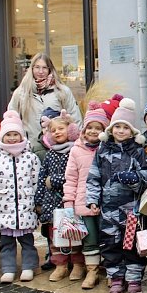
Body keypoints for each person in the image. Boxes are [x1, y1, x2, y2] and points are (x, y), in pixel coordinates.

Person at [85, 98, 147, 293]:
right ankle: (115, 277)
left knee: (131, 244)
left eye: (125, 128)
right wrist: (92, 200)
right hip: (108, 210)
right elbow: (93, 177)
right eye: (117, 127)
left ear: (132, 132)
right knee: (110, 244)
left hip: (132, 210)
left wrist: (134, 179)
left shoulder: (138, 152)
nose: (121, 131)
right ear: (111, 129)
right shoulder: (102, 151)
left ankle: (133, 278)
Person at [0, 110, 41, 283]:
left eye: (15, 134)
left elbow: (36, 181)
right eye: (8, 135)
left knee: (27, 241)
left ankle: (28, 267)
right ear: (2, 137)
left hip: (25, 208)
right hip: (3, 208)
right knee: (7, 242)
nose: (12, 138)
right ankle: (8, 269)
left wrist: (37, 202)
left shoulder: (30, 158)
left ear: (21, 136)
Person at [63, 102, 110, 289]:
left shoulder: (108, 149)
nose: (93, 131)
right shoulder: (76, 150)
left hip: (106, 202)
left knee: (107, 236)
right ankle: (92, 270)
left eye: (98, 128)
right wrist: (69, 201)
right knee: (89, 238)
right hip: (83, 202)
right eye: (89, 127)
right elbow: (71, 178)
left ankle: (109, 269)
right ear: (83, 129)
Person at [7, 52, 82, 159]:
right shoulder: (21, 93)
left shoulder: (62, 91)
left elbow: (75, 117)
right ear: (32, 69)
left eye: (44, 68)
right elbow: (11, 119)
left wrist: (74, 141)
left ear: (50, 69)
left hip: (59, 149)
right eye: (37, 67)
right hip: (29, 150)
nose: (41, 71)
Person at [36, 111, 82, 282]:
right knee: (55, 235)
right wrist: (39, 201)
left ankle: (77, 264)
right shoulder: (50, 154)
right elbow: (42, 178)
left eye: (61, 128)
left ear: (69, 130)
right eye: (53, 130)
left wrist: (53, 180)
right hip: (52, 202)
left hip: (70, 200)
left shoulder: (75, 150)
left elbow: (74, 175)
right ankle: (60, 264)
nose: (57, 132)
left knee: (74, 233)